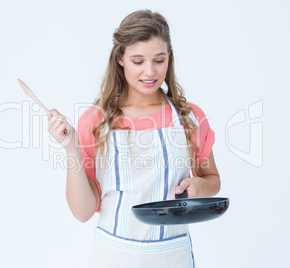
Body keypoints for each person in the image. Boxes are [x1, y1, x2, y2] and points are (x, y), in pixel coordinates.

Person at [47, 9, 220, 268]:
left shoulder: (189, 117)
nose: (149, 72)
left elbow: (213, 181)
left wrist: (197, 188)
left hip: (172, 256)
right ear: (120, 59)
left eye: (159, 60)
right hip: (114, 256)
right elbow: (83, 212)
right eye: (138, 61)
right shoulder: (96, 121)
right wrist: (71, 150)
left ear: (169, 58)